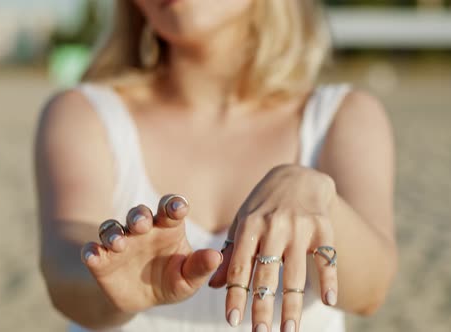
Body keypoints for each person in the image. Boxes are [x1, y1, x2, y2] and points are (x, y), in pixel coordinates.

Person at [34, 1, 398, 331]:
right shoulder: (84, 113)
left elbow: (370, 291)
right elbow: (63, 270)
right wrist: (112, 285)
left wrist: (317, 196)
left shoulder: (342, 116)